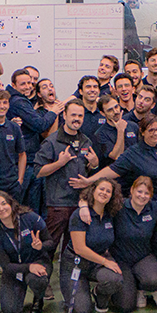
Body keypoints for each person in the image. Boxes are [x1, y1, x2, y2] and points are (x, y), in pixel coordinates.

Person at [35, 100, 99, 249]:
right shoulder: (51, 142)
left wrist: (94, 164)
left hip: (80, 203)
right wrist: (59, 163)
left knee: (73, 249)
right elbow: (38, 171)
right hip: (58, 205)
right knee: (49, 247)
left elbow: (88, 170)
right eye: (73, 115)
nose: (77, 119)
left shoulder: (86, 141)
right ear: (64, 115)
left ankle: (69, 273)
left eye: (80, 116)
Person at [61, 178, 125, 313]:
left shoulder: (111, 214)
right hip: (75, 263)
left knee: (115, 279)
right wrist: (105, 261)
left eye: (108, 191)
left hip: (97, 262)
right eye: (101, 189)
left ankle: (98, 292)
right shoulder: (80, 215)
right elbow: (80, 248)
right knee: (80, 312)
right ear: (93, 190)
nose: (104, 193)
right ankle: (78, 291)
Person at [104, 177, 157, 313]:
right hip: (121, 259)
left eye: (146, 193)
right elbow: (95, 202)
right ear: (132, 190)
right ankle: (121, 288)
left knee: (154, 281)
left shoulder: (154, 208)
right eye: (139, 191)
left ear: (150, 195)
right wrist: (84, 206)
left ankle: (138, 287)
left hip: (143, 257)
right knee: (125, 306)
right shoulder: (118, 206)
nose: (142, 196)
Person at [0, 192, 54, 313]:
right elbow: (6, 266)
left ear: (11, 204)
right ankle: (20, 287)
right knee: (10, 311)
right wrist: (28, 267)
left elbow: (50, 242)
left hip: (37, 261)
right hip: (14, 269)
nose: (1, 209)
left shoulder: (29, 218)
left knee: (37, 279)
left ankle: (38, 298)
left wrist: (41, 246)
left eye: (3, 204)